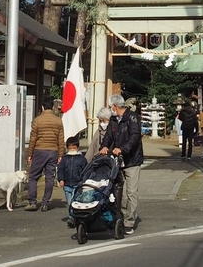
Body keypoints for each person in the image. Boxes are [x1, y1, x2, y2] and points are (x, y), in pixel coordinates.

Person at [98, 94, 143, 234]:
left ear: (115, 106)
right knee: (117, 190)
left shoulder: (132, 118)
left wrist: (123, 149)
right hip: (118, 160)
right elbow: (108, 136)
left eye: (111, 107)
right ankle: (120, 216)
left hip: (132, 160)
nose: (110, 109)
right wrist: (104, 146)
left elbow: (135, 137)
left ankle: (129, 221)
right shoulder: (113, 120)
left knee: (131, 192)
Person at [26, 95, 64, 212]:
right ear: (53, 107)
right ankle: (45, 203)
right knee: (49, 178)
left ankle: (32, 202)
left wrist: (29, 154)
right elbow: (61, 139)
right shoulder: (58, 121)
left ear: (42, 107)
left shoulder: (37, 120)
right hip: (53, 151)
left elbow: (33, 139)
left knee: (33, 177)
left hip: (39, 150)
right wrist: (60, 155)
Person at [56, 135, 87, 228]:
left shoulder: (81, 159)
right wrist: (61, 179)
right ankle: (72, 217)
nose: (72, 149)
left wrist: (83, 181)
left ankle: (74, 218)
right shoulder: (65, 159)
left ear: (77, 148)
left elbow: (85, 170)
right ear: (67, 148)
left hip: (77, 184)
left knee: (75, 201)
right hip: (67, 184)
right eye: (70, 148)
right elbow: (60, 170)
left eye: (74, 148)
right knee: (69, 203)